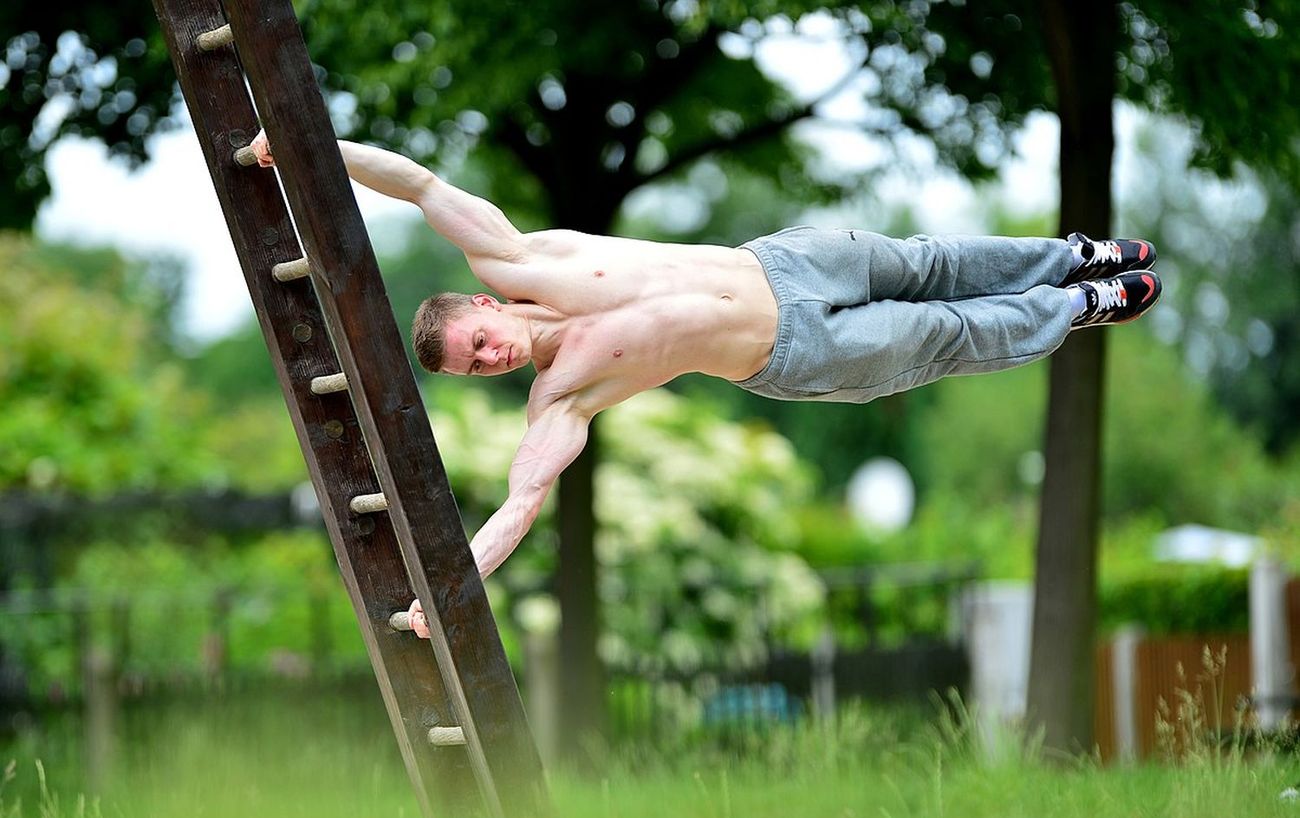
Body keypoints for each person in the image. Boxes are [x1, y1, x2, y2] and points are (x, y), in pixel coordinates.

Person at [251, 132, 1160, 639]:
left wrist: (297, 143)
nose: (489, 359)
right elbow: (519, 506)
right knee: (941, 332)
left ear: (485, 301)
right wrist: (442, 597)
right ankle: (1079, 306)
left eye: (478, 341)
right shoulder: (561, 398)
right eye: (475, 367)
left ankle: (1072, 257)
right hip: (794, 352)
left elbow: (415, 183)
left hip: (785, 262)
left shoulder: (525, 255)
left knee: (928, 264)